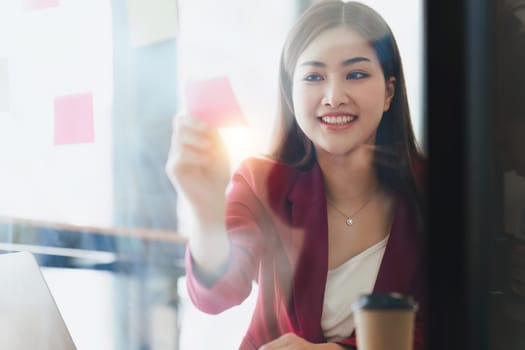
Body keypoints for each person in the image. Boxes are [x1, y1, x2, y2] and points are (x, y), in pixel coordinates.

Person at [166, 1, 426, 349]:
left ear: (389, 92)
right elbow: (217, 296)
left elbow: (445, 323)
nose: (334, 97)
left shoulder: (431, 189)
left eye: (356, 74)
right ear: (291, 92)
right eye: (314, 77)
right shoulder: (261, 182)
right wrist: (205, 210)